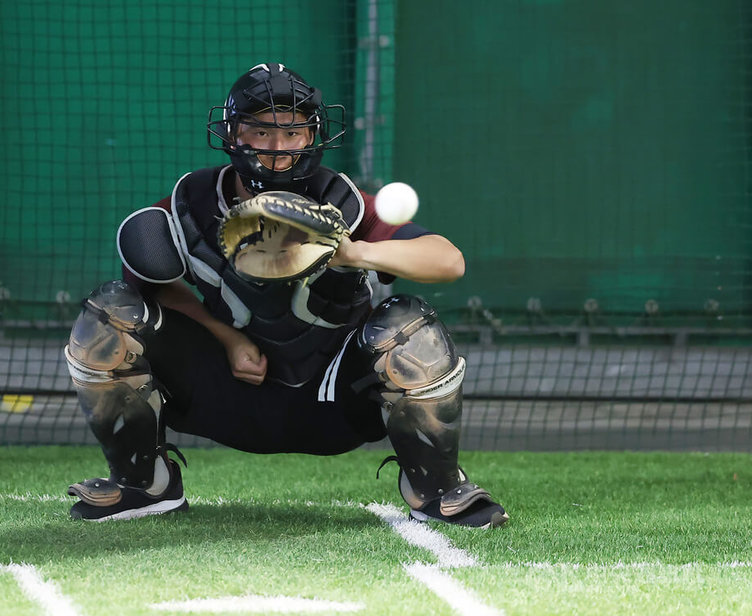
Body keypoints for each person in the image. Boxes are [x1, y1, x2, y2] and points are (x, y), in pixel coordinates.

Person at [64, 62, 508, 528]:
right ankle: (143, 484)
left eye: (293, 133)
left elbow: (448, 261)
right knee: (109, 314)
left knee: (408, 326)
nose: (279, 149)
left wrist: (356, 254)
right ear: (234, 133)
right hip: (229, 393)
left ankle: (436, 490)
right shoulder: (191, 205)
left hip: (333, 398)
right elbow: (146, 288)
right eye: (261, 131)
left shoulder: (343, 202)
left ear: (312, 136)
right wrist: (225, 337)